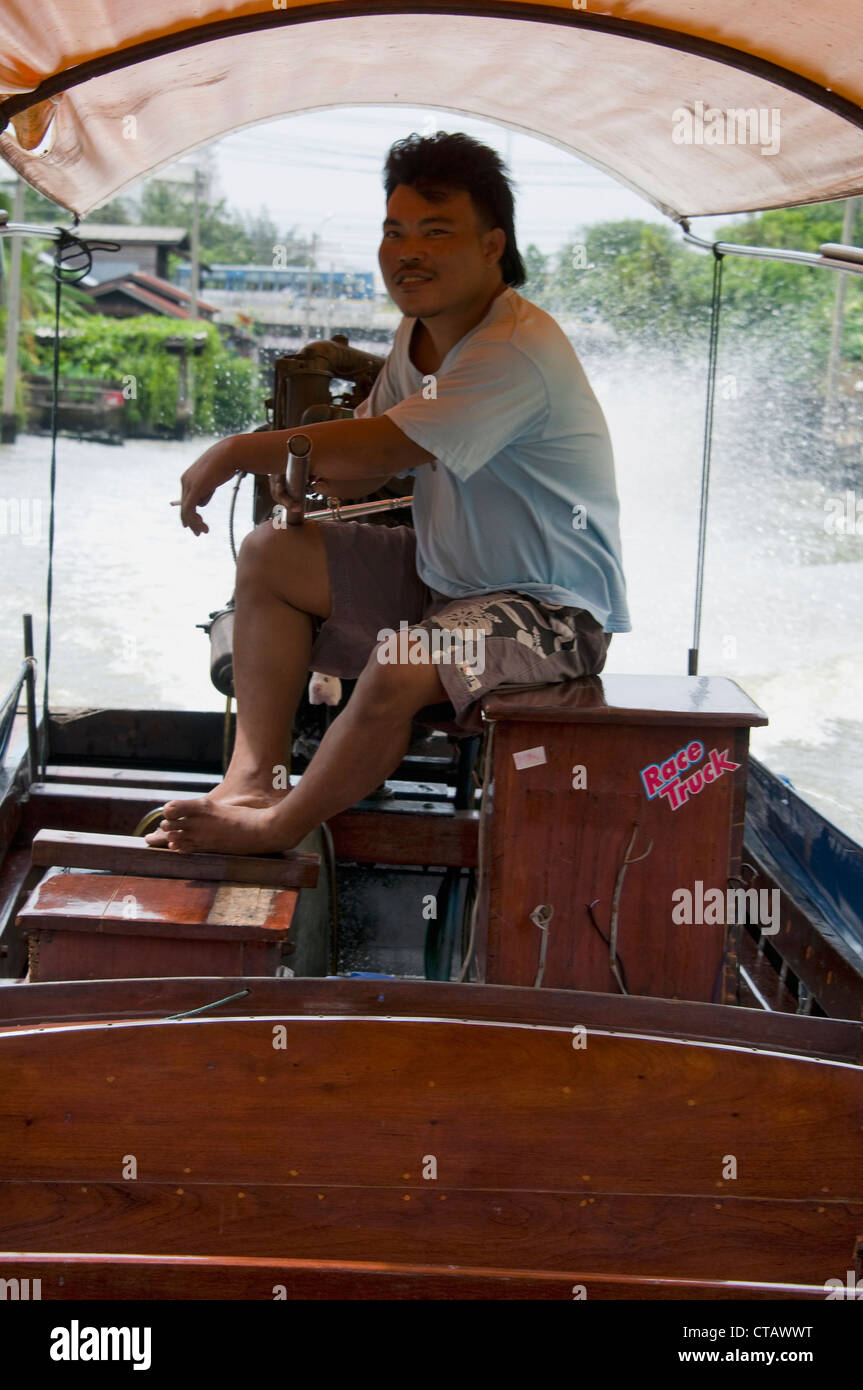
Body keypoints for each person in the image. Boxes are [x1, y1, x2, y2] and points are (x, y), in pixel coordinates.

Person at [146, 131, 631, 856]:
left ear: (492, 245)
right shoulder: (417, 335)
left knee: (400, 660)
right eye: (394, 233)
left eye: (436, 234)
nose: (408, 253)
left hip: (551, 613)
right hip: (444, 581)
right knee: (271, 554)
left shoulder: (512, 350)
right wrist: (301, 477)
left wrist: (237, 452)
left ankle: (275, 828)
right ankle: (253, 779)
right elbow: (364, 466)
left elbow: (389, 447)